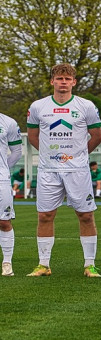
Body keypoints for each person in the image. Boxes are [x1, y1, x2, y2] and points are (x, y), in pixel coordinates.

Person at [26, 63, 101, 278]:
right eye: (59, 78)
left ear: (74, 82)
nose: (63, 82)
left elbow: (96, 136)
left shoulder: (85, 106)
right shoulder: (38, 106)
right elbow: (32, 136)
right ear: (52, 81)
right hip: (48, 170)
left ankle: (90, 265)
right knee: (45, 215)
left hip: (77, 170)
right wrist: (51, 156)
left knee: (86, 215)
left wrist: (79, 156)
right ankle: (43, 265)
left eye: (67, 79)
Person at [0, 111, 23, 276]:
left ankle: (7, 262)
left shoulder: (8, 122)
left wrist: (3, 168)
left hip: (1, 179)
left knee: (4, 221)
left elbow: (16, 151)